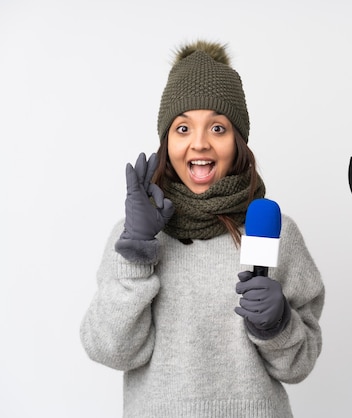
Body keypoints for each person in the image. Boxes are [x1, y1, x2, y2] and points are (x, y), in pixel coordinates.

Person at [80, 40, 325, 418]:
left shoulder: (275, 232)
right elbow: (110, 350)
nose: (199, 143)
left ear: (238, 141)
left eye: (217, 127)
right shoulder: (133, 236)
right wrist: (135, 254)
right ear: (166, 142)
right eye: (182, 128)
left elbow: (298, 365)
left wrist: (279, 324)